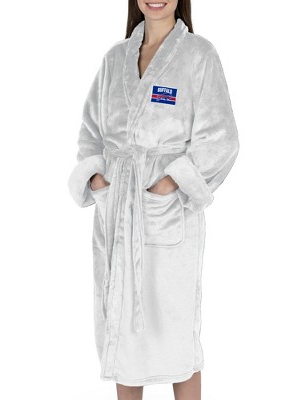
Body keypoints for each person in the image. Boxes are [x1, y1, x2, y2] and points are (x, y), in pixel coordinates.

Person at [68, 0, 240, 399]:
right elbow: (90, 132)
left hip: (169, 216)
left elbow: (222, 138)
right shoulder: (115, 59)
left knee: (178, 338)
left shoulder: (198, 55)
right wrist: (98, 180)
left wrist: (172, 183)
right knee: (123, 336)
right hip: (118, 212)